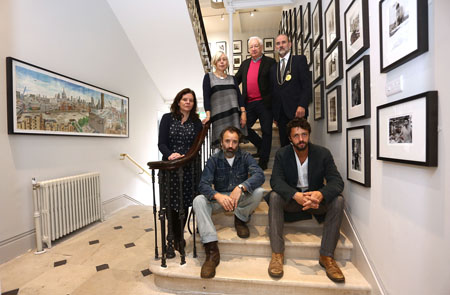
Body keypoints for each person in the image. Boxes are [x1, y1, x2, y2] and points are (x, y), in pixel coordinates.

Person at [266, 117, 345, 283]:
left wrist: (320, 194)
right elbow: (276, 181)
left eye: (304, 134)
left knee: (337, 200)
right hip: (294, 200)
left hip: (315, 201)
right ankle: (277, 254)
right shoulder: (282, 154)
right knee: (274, 196)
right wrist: (296, 196)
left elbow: (337, 181)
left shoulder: (323, 153)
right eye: (296, 136)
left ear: (309, 135)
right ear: (290, 138)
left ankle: (327, 256)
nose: (301, 139)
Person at [193, 126, 265, 278]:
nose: (230, 145)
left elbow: (259, 175)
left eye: (234, 142)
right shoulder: (213, 159)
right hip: (221, 200)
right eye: (227, 141)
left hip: (239, 199)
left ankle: (240, 218)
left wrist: (242, 187)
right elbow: (203, 184)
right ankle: (212, 251)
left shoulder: (245, 157)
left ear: (238, 143)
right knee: (199, 200)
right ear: (221, 142)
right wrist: (217, 196)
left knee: (259, 192)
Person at [158, 88, 203, 259]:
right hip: (170, 169)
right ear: (178, 101)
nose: (188, 102)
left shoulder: (197, 123)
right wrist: (170, 154)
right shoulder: (167, 119)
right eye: (184, 99)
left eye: (191, 100)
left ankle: (178, 237)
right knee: (171, 204)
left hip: (188, 169)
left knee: (184, 203)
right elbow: (161, 143)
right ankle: (174, 237)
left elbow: (197, 146)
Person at [235, 36, 276, 170]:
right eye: (251, 47)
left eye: (256, 46)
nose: (253, 49)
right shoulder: (245, 64)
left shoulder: (270, 62)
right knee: (243, 128)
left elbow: (275, 84)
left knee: (267, 131)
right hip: (249, 104)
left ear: (261, 47)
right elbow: (235, 81)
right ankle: (260, 145)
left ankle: (263, 161)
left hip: (265, 103)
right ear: (248, 49)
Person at [271, 34, 312, 147]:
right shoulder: (274, 68)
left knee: (301, 144)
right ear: (275, 47)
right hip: (281, 114)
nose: (281, 46)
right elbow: (274, 92)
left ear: (289, 44)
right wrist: (275, 115)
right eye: (278, 44)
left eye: (283, 42)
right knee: (285, 147)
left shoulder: (299, 60)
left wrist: (302, 105)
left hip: (297, 111)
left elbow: (307, 85)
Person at [203, 51, 247, 148]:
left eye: (224, 59)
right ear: (215, 63)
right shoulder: (208, 77)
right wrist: (208, 115)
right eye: (219, 60)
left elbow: (239, 96)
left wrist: (243, 113)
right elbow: (206, 97)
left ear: (227, 63)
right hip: (218, 118)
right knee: (221, 146)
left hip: (234, 116)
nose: (222, 62)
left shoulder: (233, 78)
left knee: (234, 145)